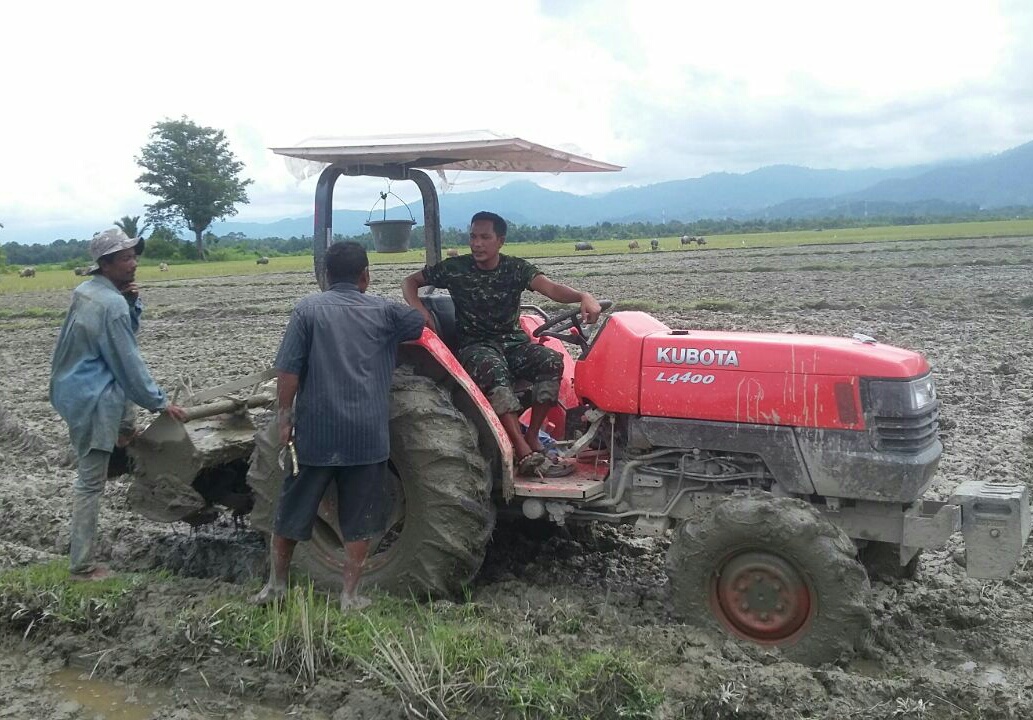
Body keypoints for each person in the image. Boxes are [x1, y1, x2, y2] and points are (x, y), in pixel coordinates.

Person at [252, 241, 425, 610]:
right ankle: (350, 596)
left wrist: (284, 420)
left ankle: (276, 586)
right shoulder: (384, 312)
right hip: (367, 436)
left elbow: (288, 371)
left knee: (291, 511)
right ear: (366, 276)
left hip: (316, 434)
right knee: (360, 520)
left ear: (326, 276)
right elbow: (419, 321)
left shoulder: (308, 310)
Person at [402, 211, 602, 479]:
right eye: (473, 237)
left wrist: (583, 296)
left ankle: (532, 435)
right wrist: (419, 310)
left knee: (551, 361)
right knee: (494, 369)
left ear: (500, 241)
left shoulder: (515, 269)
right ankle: (521, 450)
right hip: (475, 346)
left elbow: (552, 289)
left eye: (485, 237)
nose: (477, 244)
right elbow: (410, 282)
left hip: (513, 344)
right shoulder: (455, 268)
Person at [50, 228, 187, 581]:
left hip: (76, 388)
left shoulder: (89, 291)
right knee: (90, 482)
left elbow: (122, 334)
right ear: (105, 264)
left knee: (115, 444)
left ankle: (122, 441)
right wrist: (160, 404)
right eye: (124, 258)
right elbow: (127, 361)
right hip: (94, 398)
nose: (133, 263)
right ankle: (81, 565)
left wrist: (131, 302)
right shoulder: (110, 305)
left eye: (133, 255)